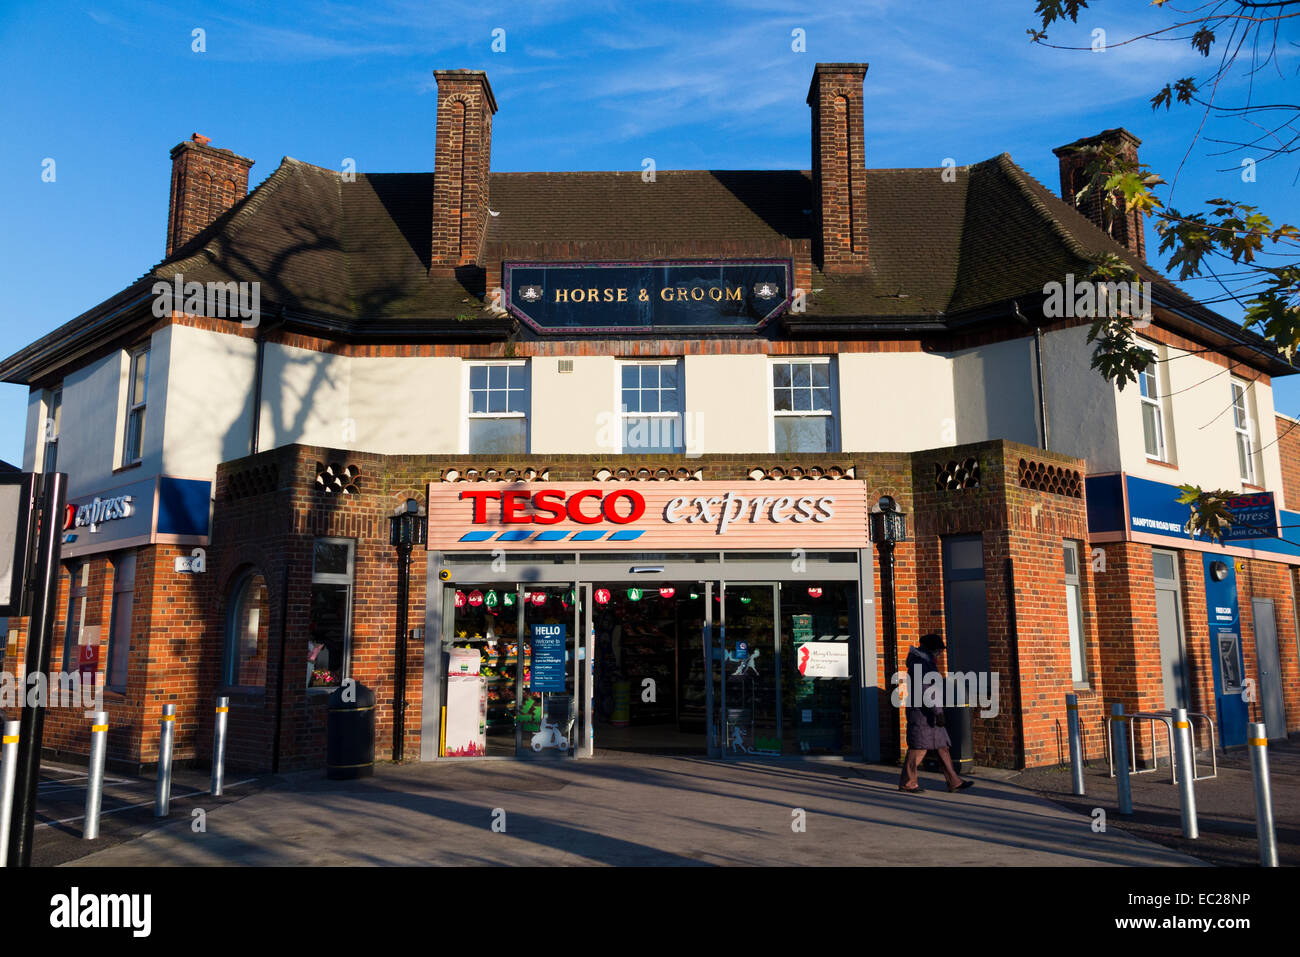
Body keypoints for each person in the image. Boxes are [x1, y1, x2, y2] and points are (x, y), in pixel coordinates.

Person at [899, 633, 973, 794]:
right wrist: (938, 712)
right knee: (918, 748)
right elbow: (927, 690)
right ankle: (908, 782)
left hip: (929, 712)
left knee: (942, 747)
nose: (941, 654)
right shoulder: (921, 664)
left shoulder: (926, 662)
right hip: (923, 713)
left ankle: (954, 781)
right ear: (931, 650)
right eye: (939, 650)